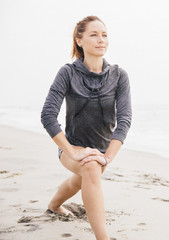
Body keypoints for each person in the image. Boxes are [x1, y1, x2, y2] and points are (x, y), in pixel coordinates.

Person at [41, 15, 132, 240]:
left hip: (102, 150)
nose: (101, 40)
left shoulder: (119, 76)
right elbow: (48, 115)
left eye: (104, 35)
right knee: (89, 168)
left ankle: (54, 205)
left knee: (81, 178)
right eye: (94, 34)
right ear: (79, 40)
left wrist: (107, 157)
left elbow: (125, 120)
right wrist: (73, 151)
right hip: (72, 148)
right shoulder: (68, 73)